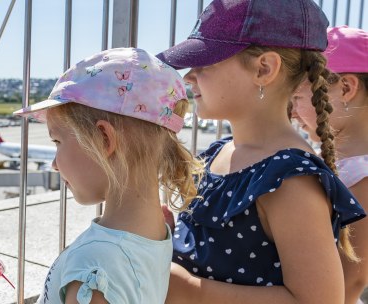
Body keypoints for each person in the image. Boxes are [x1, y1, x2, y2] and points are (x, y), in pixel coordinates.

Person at [157, 1, 366, 303]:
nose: (189, 76)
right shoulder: (219, 152)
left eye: (205, 61)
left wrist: (188, 290)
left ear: (264, 68)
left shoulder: (290, 179)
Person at [14, 48, 200, 304]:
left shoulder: (95, 268)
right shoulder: (157, 230)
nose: (55, 164)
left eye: (57, 141)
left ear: (104, 139)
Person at [291, 25, 368, 304]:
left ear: (346, 88)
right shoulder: (346, 168)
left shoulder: (362, 178)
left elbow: (351, 280)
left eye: (298, 97)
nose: (293, 112)